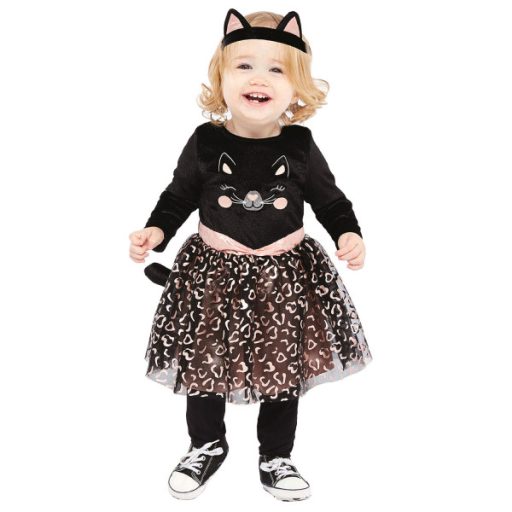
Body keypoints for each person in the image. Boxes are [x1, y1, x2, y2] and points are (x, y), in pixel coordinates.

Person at [128, 8, 373, 502]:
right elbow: (178, 196)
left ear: (297, 86)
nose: (259, 78)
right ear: (221, 77)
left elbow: (330, 200)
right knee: (205, 360)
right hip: (213, 274)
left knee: (282, 365)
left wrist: (349, 233)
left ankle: (276, 455)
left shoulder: (299, 146)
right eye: (244, 65)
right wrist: (157, 230)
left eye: (276, 69)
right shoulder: (206, 142)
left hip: (284, 275)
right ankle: (206, 444)